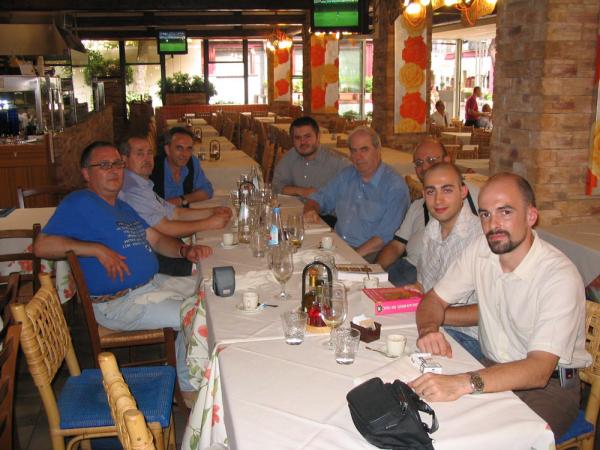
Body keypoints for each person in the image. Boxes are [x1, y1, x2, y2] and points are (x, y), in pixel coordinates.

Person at [411, 172, 591, 438]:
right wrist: (428, 330)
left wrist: (462, 383)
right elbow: (433, 300)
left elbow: (539, 370)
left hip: (547, 388)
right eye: (485, 214)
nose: (493, 224)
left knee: (495, 440)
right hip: (490, 366)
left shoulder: (558, 276)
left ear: (531, 216)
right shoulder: (481, 250)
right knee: (426, 417)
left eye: (505, 212)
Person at [34, 141, 212, 406]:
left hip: (151, 286)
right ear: (86, 173)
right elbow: (41, 246)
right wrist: (95, 249)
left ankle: (190, 371)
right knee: (200, 315)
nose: (114, 170)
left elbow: (156, 239)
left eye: (117, 164)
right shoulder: (80, 202)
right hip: (120, 304)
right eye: (104, 165)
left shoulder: (122, 206)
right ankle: (189, 391)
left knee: (211, 289)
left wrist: (184, 250)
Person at [118, 135, 232, 275]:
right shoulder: (132, 189)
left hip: (168, 249)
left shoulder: (141, 184)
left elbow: (175, 212)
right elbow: (165, 228)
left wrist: (213, 211)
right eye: (140, 154)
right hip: (155, 260)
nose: (147, 159)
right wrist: (209, 223)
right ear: (124, 160)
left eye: (149, 153)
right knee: (222, 264)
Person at [375, 138, 478, 285]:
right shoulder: (420, 210)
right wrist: (373, 270)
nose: (425, 167)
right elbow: (396, 246)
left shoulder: (476, 197)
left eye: (431, 160)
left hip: (439, 279)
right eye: (419, 163)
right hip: (410, 270)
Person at [304, 126, 410, 260]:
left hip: (370, 255)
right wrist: (311, 209)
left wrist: (350, 258)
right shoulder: (347, 174)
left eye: (364, 149)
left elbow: (384, 237)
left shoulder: (395, 187)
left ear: (378, 150)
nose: (358, 157)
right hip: (337, 246)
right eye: (353, 151)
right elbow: (320, 198)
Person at [414, 162, 483, 360]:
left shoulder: (481, 236)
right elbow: (423, 285)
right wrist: (409, 294)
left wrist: (430, 314)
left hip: (468, 337)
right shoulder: (431, 229)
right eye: (431, 191)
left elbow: (489, 312)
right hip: (430, 324)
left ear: (463, 191)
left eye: (447, 190)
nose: (438, 200)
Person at [272, 116, 349, 198]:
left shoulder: (338, 163)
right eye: (297, 138)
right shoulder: (290, 157)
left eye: (307, 136)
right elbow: (276, 186)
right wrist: (301, 191)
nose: (302, 142)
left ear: (318, 137)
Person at [150, 126, 214, 206]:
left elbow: (207, 190)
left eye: (189, 149)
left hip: (185, 212)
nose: (185, 154)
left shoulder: (192, 162)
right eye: (179, 148)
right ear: (167, 149)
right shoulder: (152, 168)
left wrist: (181, 200)